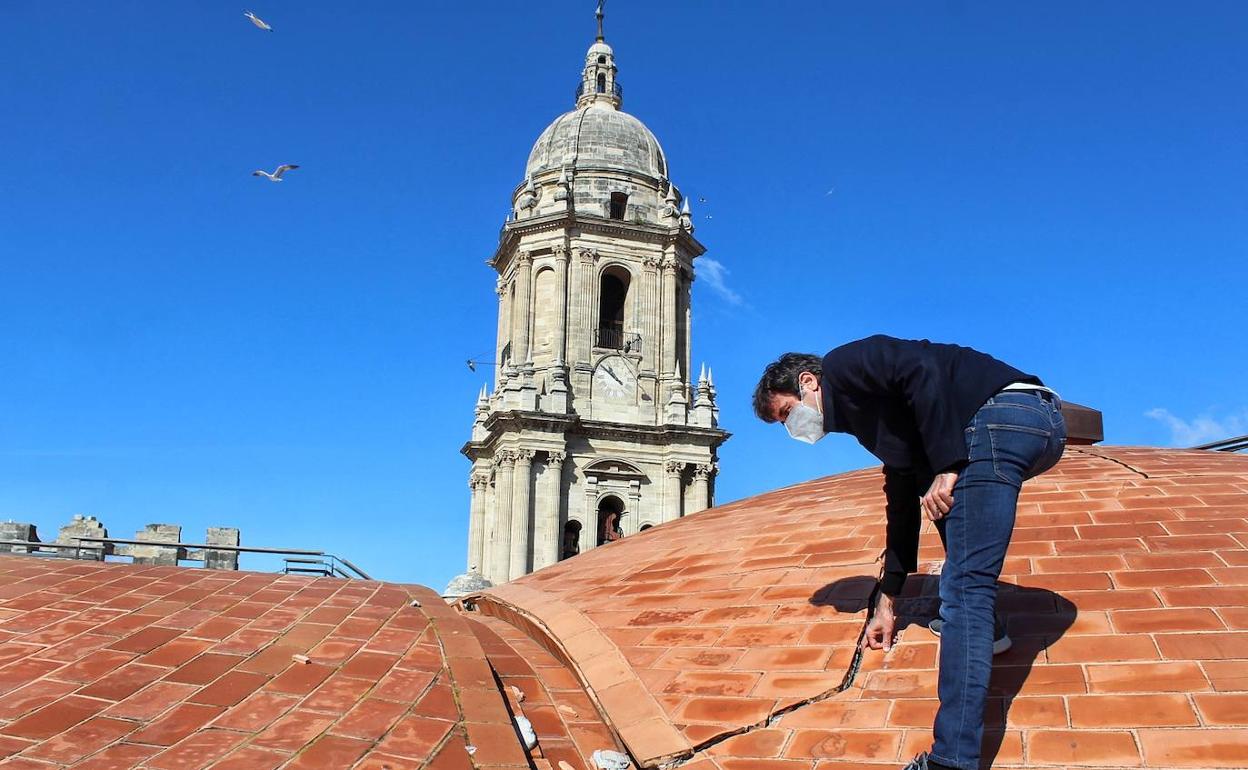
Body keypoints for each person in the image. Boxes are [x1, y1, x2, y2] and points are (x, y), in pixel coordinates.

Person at [752, 335, 1066, 770]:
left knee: (964, 588)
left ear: (808, 382)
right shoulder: (873, 423)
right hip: (1026, 425)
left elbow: (921, 369)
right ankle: (987, 631)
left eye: (787, 413)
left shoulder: (845, 365)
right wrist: (887, 601)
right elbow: (901, 502)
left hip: (1002, 416)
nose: (793, 427)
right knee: (937, 503)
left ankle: (952, 760)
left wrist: (949, 464)